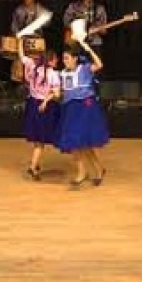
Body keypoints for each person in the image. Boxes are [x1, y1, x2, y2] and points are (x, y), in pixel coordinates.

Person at [53, 40, 109, 187]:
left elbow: (99, 64)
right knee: (74, 143)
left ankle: (98, 169)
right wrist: (53, 95)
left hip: (85, 108)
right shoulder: (62, 74)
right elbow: (61, 94)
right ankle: (82, 172)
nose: (64, 61)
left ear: (75, 58)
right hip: (70, 109)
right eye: (63, 58)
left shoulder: (84, 69)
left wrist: (87, 47)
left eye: (67, 58)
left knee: (85, 143)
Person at [19, 36, 61, 180]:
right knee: (40, 141)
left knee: (37, 139)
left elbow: (21, 56)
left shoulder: (33, 66)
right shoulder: (53, 74)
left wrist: (20, 40)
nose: (57, 61)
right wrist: (45, 102)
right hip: (44, 107)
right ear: (50, 61)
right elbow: (56, 93)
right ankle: (32, 167)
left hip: (32, 104)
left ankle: (34, 164)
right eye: (55, 59)